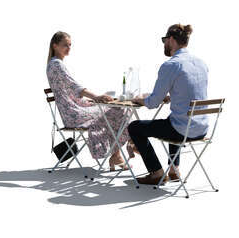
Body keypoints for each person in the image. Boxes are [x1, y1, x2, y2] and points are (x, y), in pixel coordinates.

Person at [128, 24, 209, 185]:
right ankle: (174, 169)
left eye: (165, 40)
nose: (164, 44)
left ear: (171, 40)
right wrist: (171, 96)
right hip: (202, 128)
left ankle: (157, 173)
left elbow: (152, 103)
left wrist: (140, 100)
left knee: (134, 127)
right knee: (174, 118)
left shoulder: (171, 65)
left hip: (182, 129)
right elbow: (191, 91)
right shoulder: (201, 63)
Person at [46, 31, 134, 170]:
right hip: (73, 115)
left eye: (70, 45)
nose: (69, 48)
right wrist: (96, 98)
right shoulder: (56, 65)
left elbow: (70, 91)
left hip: (73, 110)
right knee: (118, 110)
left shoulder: (53, 64)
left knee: (113, 110)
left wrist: (92, 101)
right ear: (55, 46)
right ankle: (127, 146)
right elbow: (75, 86)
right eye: (65, 45)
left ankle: (118, 153)